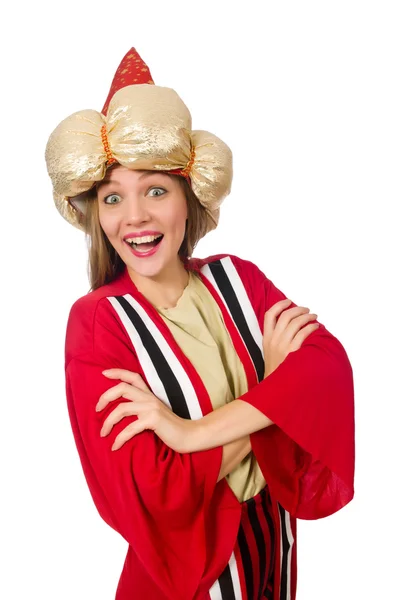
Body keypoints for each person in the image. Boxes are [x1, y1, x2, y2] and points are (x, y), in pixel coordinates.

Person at [45, 46, 355, 600]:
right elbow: (153, 489)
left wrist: (189, 434)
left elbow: (328, 370)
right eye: (113, 197)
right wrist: (275, 394)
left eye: (155, 190)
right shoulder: (98, 323)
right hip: (185, 581)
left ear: (189, 200)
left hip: (272, 559)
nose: (134, 216)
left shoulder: (239, 278)